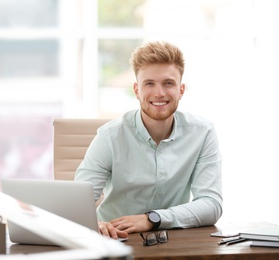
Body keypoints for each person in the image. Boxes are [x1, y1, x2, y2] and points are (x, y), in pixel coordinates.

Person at [75, 41, 222, 239]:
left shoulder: (203, 133)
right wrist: (94, 224)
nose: (159, 93)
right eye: (149, 83)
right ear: (137, 90)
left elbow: (211, 204)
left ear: (181, 90)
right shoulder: (109, 137)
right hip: (116, 240)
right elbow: (77, 206)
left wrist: (152, 219)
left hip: (173, 243)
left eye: (168, 83)